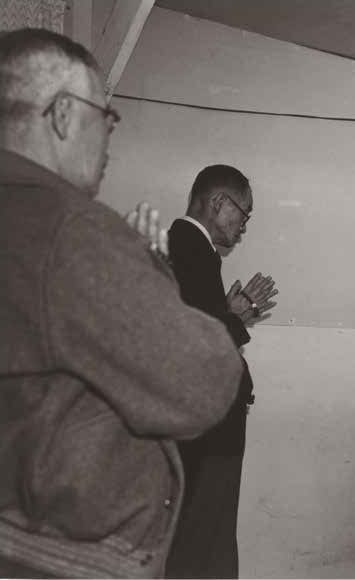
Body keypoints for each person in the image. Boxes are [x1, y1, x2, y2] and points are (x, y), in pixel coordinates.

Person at [0, 28, 244, 578]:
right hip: (70, 556)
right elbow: (207, 381)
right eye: (103, 116)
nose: (109, 140)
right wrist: (150, 269)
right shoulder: (72, 229)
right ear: (62, 115)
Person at [165, 165, 278, 579]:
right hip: (206, 431)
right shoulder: (187, 246)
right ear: (217, 203)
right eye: (243, 213)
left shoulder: (193, 248)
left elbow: (195, 322)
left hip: (208, 426)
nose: (244, 225)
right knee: (202, 540)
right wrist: (232, 318)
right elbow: (187, 342)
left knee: (206, 538)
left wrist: (228, 315)